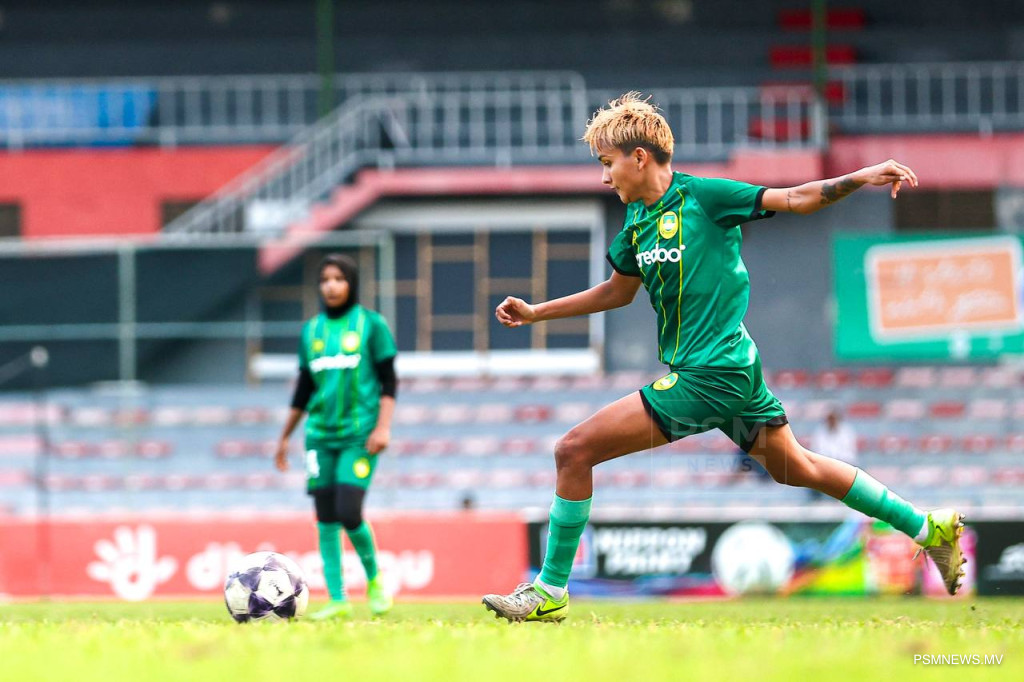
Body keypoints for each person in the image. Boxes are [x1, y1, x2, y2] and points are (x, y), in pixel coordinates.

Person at [481, 93, 965, 623]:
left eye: (607, 162)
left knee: (574, 450)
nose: (603, 177)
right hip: (729, 370)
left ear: (638, 157)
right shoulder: (636, 222)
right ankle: (926, 527)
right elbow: (617, 292)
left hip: (712, 373)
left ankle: (549, 589)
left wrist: (859, 176)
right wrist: (537, 313)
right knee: (797, 467)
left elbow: (796, 197)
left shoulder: (706, 197)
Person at [275, 253, 398, 620]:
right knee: (326, 516)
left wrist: (383, 427)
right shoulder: (311, 331)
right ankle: (338, 599)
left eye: (339, 279)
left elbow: (389, 380)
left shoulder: (371, 325)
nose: (331, 286)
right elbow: (303, 390)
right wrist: (284, 437)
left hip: (359, 436)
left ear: (351, 283)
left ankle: (375, 580)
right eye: (325, 279)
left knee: (348, 510)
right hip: (319, 436)